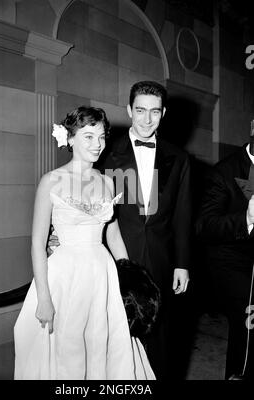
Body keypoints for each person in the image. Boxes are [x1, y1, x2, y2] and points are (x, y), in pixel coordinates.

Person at [14, 106, 155, 380]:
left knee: (101, 343)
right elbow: (37, 243)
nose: (97, 144)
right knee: (68, 348)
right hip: (65, 276)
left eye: (101, 137)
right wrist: (44, 297)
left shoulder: (107, 182)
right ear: (70, 138)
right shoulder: (51, 181)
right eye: (88, 137)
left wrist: (129, 278)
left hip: (102, 274)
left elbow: (113, 235)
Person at [95, 81, 192, 379]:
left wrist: (182, 264)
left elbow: (183, 214)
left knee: (161, 338)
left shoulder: (179, 157)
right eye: (140, 111)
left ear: (164, 114)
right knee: (117, 337)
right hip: (118, 256)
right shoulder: (106, 153)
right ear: (128, 110)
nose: (146, 119)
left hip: (163, 259)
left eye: (154, 112)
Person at [196, 142, 254, 380]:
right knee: (248, 328)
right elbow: (205, 225)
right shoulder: (224, 171)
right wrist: (247, 219)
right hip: (232, 262)